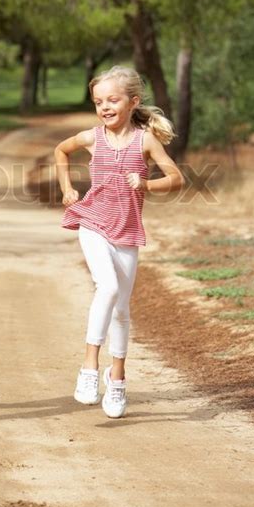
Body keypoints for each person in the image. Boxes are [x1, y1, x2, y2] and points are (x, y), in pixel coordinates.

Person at [54, 66, 184, 418]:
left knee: (122, 310)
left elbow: (176, 178)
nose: (105, 107)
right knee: (108, 288)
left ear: (133, 102)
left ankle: (118, 379)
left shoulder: (145, 140)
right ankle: (88, 369)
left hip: (126, 232)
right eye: (99, 102)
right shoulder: (93, 138)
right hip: (93, 222)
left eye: (113, 100)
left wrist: (146, 185)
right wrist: (68, 188)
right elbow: (61, 152)